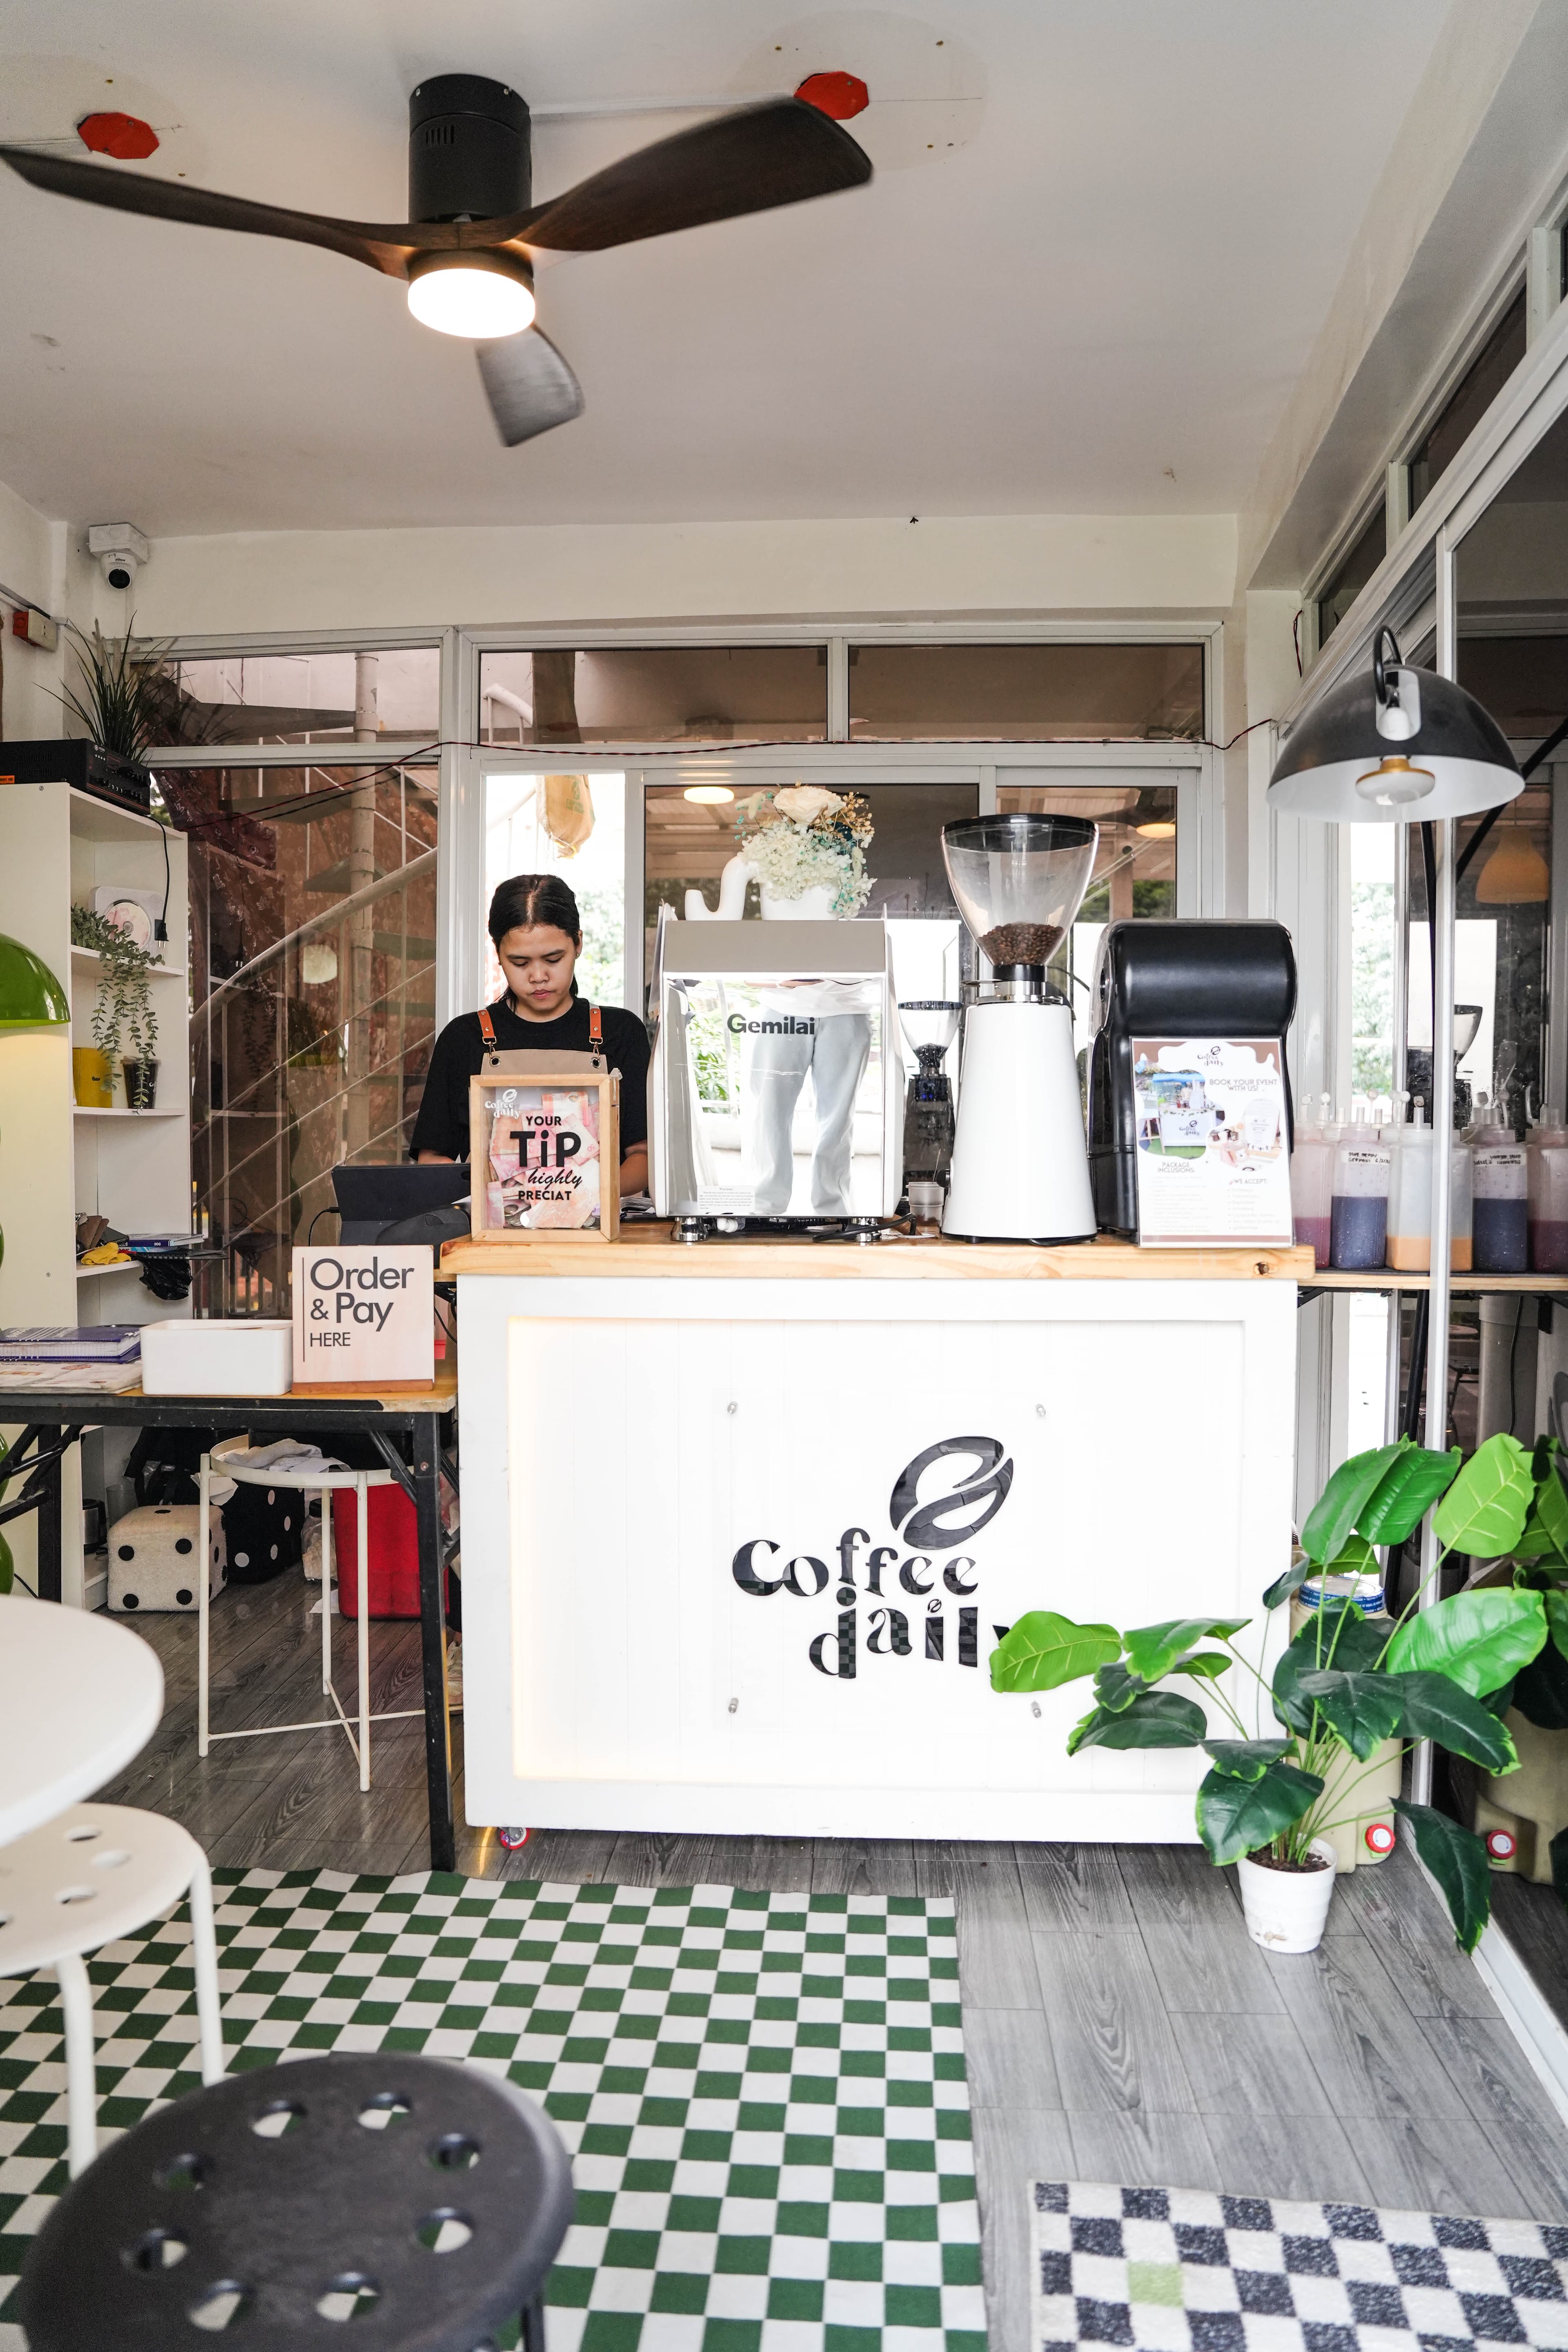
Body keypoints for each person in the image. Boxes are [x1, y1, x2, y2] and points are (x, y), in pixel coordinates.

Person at [410, 873, 650, 1195]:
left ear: (578, 943)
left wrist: (583, 1194)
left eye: (554, 959)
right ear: (498, 953)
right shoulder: (463, 1038)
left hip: (597, 1235)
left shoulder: (620, 1033)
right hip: (494, 1237)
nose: (539, 976)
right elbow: (432, 1158)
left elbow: (644, 1156)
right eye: (520, 962)